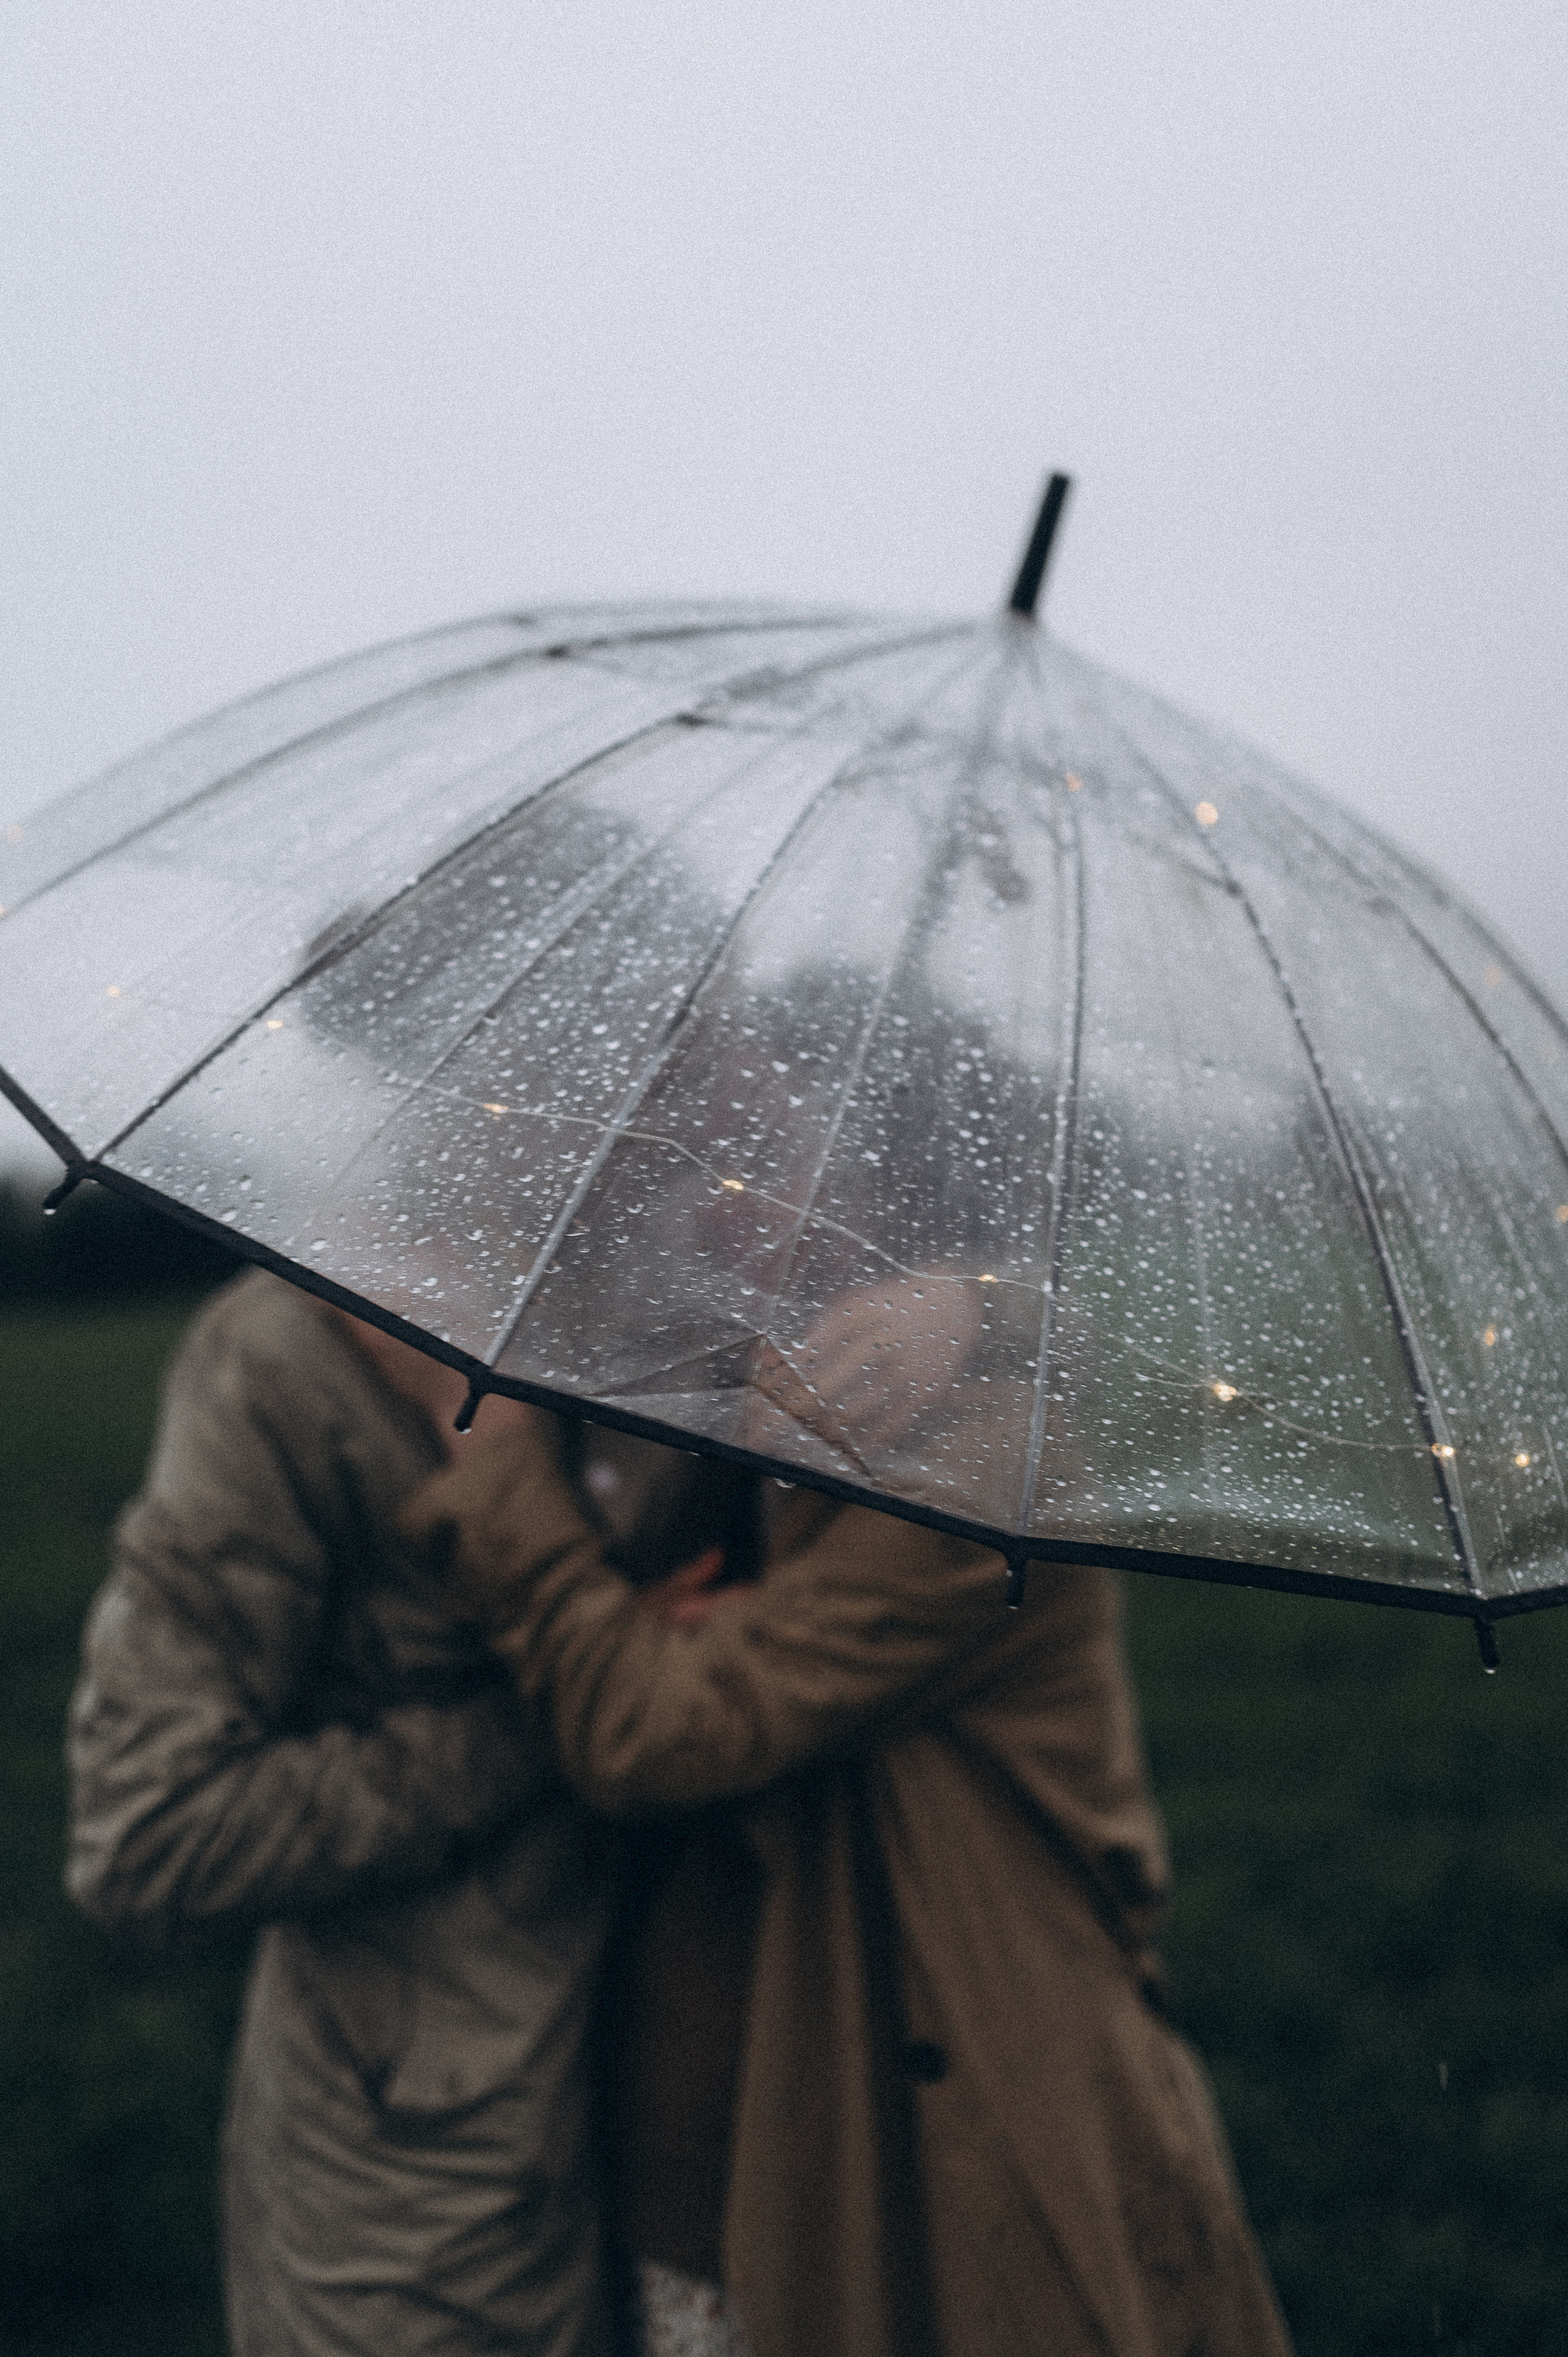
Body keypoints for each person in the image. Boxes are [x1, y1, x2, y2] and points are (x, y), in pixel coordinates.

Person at [400, 1300, 1298, 2357]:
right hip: (700, 2131)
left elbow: (655, 1733)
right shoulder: (715, 1383)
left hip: (948, 2137)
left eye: (782, 1161)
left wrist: (499, 1459)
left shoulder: (991, 1462)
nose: (739, 1199)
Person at [64, 1265, 746, 2357]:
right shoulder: (286, 1354)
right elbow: (150, 1836)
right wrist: (563, 1720)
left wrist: (978, 1306)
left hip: (675, 2146)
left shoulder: (699, 1326)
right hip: (426, 2211)